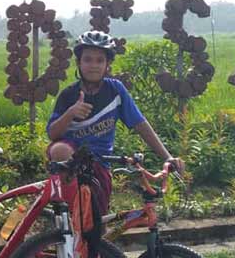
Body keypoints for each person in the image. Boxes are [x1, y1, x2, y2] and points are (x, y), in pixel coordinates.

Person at [47, 30, 185, 214]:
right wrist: (70, 113)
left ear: (107, 64)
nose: (93, 65)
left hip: (100, 162)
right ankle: (67, 214)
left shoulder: (115, 91)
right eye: (87, 59)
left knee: (97, 226)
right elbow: (53, 134)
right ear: (79, 63)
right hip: (72, 161)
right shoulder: (68, 95)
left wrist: (167, 157)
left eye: (99, 60)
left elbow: (140, 124)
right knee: (61, 151)